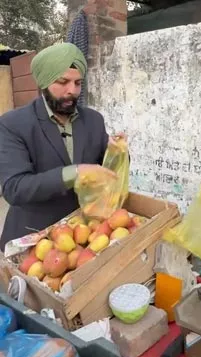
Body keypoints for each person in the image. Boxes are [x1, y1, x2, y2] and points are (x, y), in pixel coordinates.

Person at [0, 43, 120, 251]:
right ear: (44, 82)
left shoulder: (93, 120)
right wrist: (75, 172)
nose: (72, 91)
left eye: (77, 83)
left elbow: (109, 171)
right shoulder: (12, 124)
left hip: (82, 236)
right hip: (33, 239)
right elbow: (15, 189)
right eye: (62, 82)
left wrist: (118, 153)